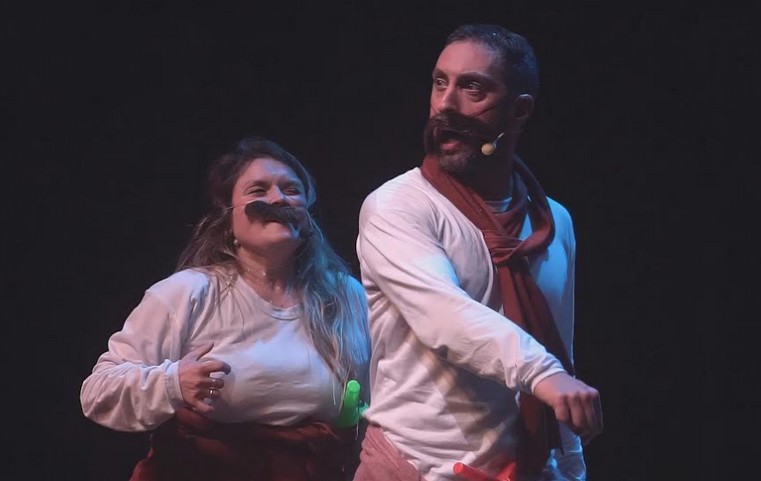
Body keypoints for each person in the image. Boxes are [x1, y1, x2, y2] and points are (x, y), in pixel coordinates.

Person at [353, 24, 603, 481]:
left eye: (473, 88)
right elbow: (445, 316)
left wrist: (570, 465)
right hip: (416, 467)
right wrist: (543, 373)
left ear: (519, 110)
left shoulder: (552, 222)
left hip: (528, 468)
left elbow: (558, 344)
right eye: (439, 83)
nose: (446, 104)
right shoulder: (398, 206)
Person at [81, 136, 372, 481]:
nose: (278, 199)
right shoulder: (188, 293)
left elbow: (381, 399)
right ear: (228, 218)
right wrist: (173, 383)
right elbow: (98, 391)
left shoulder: (345, 297)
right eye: (258, 190)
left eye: (292, 190)